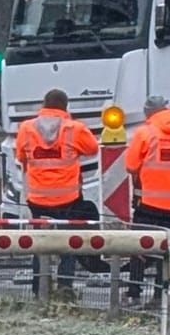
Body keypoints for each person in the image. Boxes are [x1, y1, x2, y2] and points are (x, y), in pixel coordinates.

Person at [14, 88, 108, 295]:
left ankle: (39, 288)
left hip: (37, 198)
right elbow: (92, 148)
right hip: (68, 198)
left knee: (40, 244)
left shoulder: (26, 128)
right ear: (65, 107)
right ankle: (65, 288)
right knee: (69, 243)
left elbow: (21, 156)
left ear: (43, 105)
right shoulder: (74, 128)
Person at [123, 95, 170, 302]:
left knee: (139, 247)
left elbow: (130, 165)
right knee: (168, 250)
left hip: (146, 203)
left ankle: (134, 292)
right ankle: (161, 294)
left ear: (148, 114)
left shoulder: (145, 133)